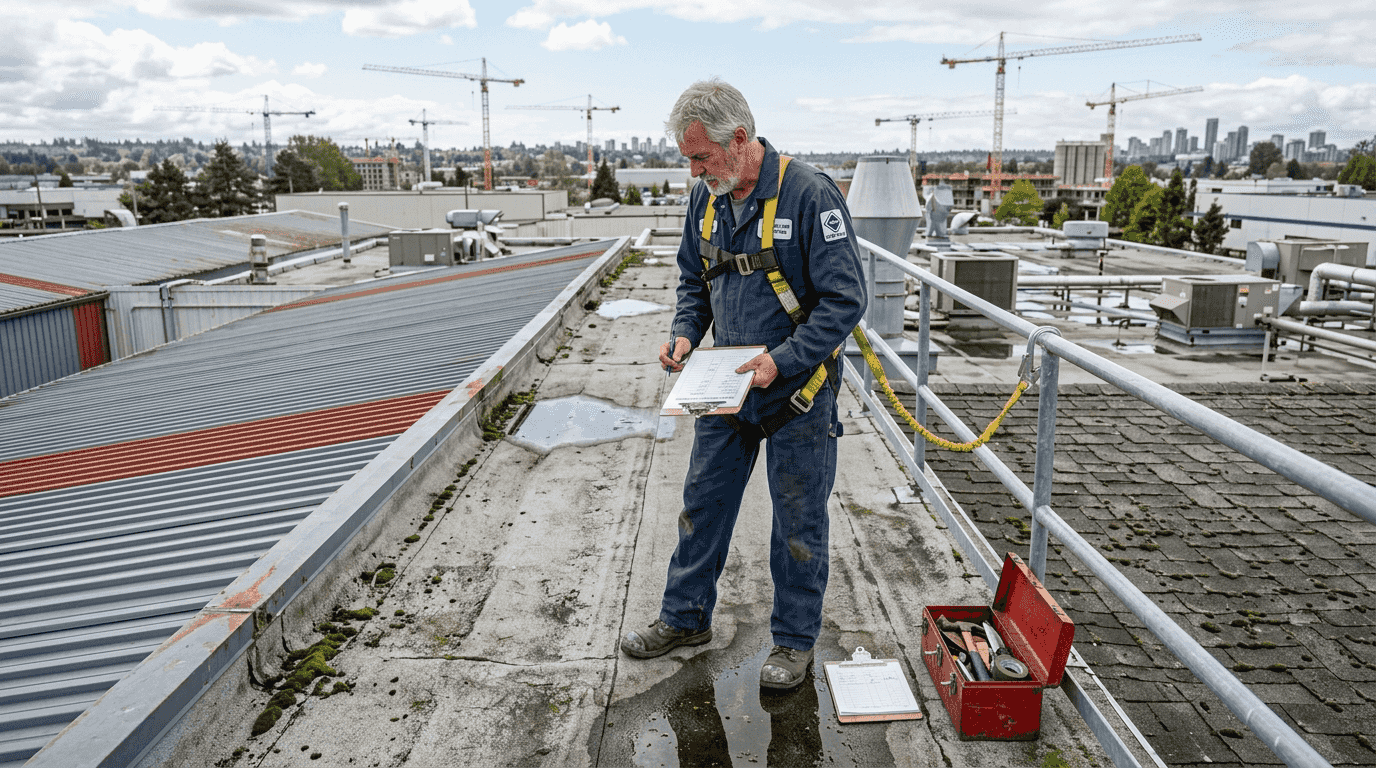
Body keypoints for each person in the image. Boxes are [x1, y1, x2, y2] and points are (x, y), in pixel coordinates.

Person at [620, 78, 867, 690]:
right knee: (701, 508)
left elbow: (845, 300)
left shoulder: (810, 195)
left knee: (798, 523)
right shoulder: (707, 200)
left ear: (740, 138)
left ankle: (793, 642)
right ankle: (684, 618)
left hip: (795, 396)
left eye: (701, 157)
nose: (695, 170)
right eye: (688, 160)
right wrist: (684, 333)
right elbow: (693, 284)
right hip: (726, 391)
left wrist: (782, 361)